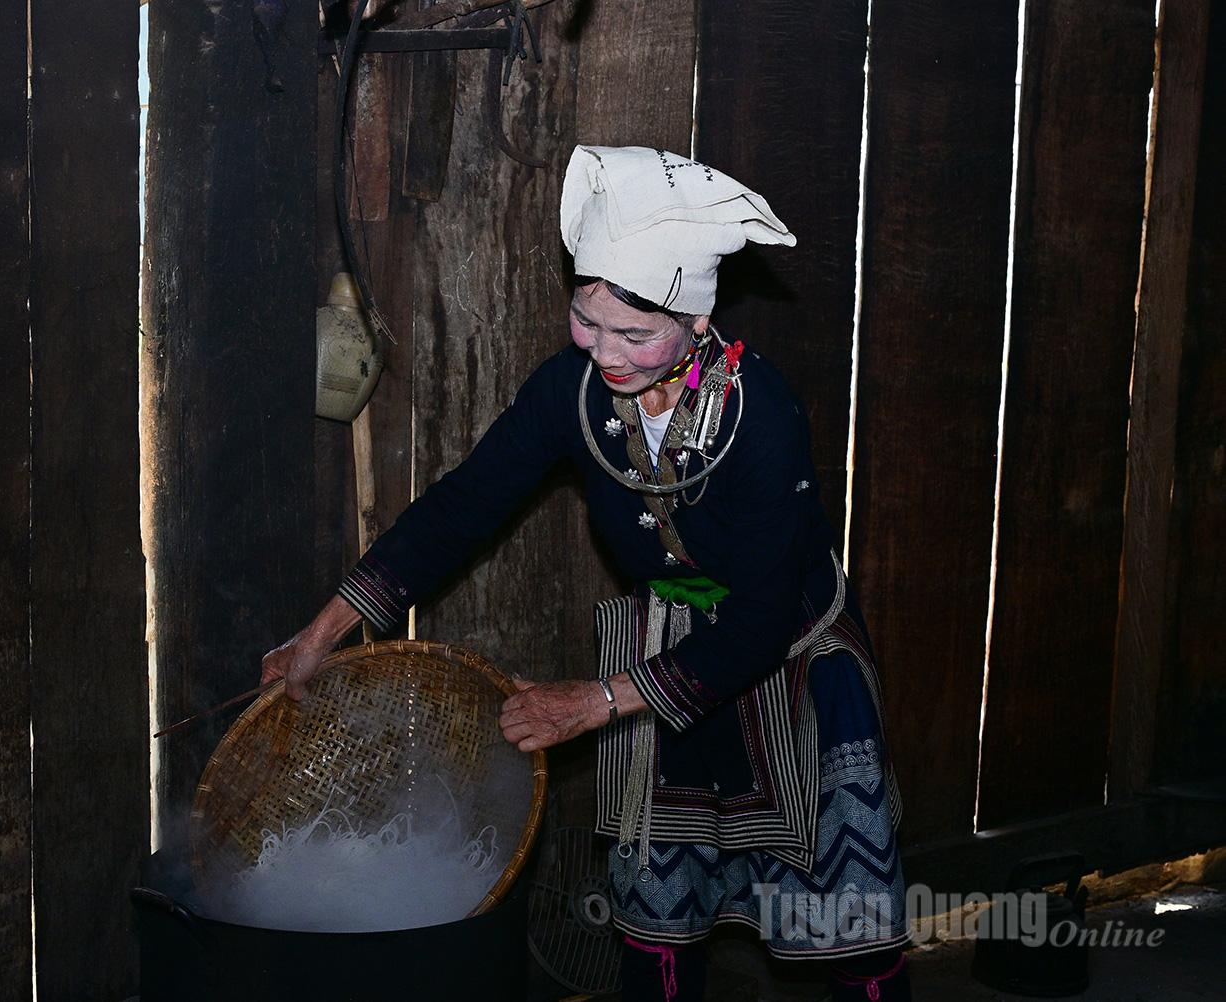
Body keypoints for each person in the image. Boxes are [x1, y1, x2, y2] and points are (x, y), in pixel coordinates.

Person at [262, 145, 912, 1002]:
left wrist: (596, 701)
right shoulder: (569, 398)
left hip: (789, 658)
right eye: (587, 320)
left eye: (636, 334)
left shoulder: (763, 417)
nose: (605, 352)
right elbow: (461, 510)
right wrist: (320, 635)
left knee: (848, 929)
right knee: (658, 920)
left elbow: (756, 620)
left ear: (697, 324)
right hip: (666, 658)